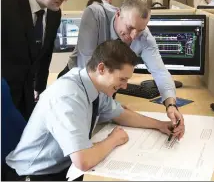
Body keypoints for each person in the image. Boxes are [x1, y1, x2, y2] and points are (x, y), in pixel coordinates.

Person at [5, 39, 185, 181]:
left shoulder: (91, 83)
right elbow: (83, 161)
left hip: (62, 167)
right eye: (122, 79)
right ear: (101, 68)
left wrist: (160, 125)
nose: (124, 86)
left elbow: (121, 114)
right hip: (33, 175)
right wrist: (113, 140)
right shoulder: (68, 97)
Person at [58, 0, 184, 127]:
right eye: (130, 27)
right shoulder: (95, 15)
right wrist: (111, 107)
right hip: (78, 79)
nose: (133, 36)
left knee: (103, 127)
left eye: (140, 30)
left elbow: (160, 71)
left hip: (107, 85)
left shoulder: (144, 37)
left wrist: (171, 104)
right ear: (118, 14)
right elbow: (87, 67)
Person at [1, 0, 79, 120]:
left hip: (28, 96)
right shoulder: (5, 7)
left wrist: (40, 89)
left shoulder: (54, 14)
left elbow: (45, 55)